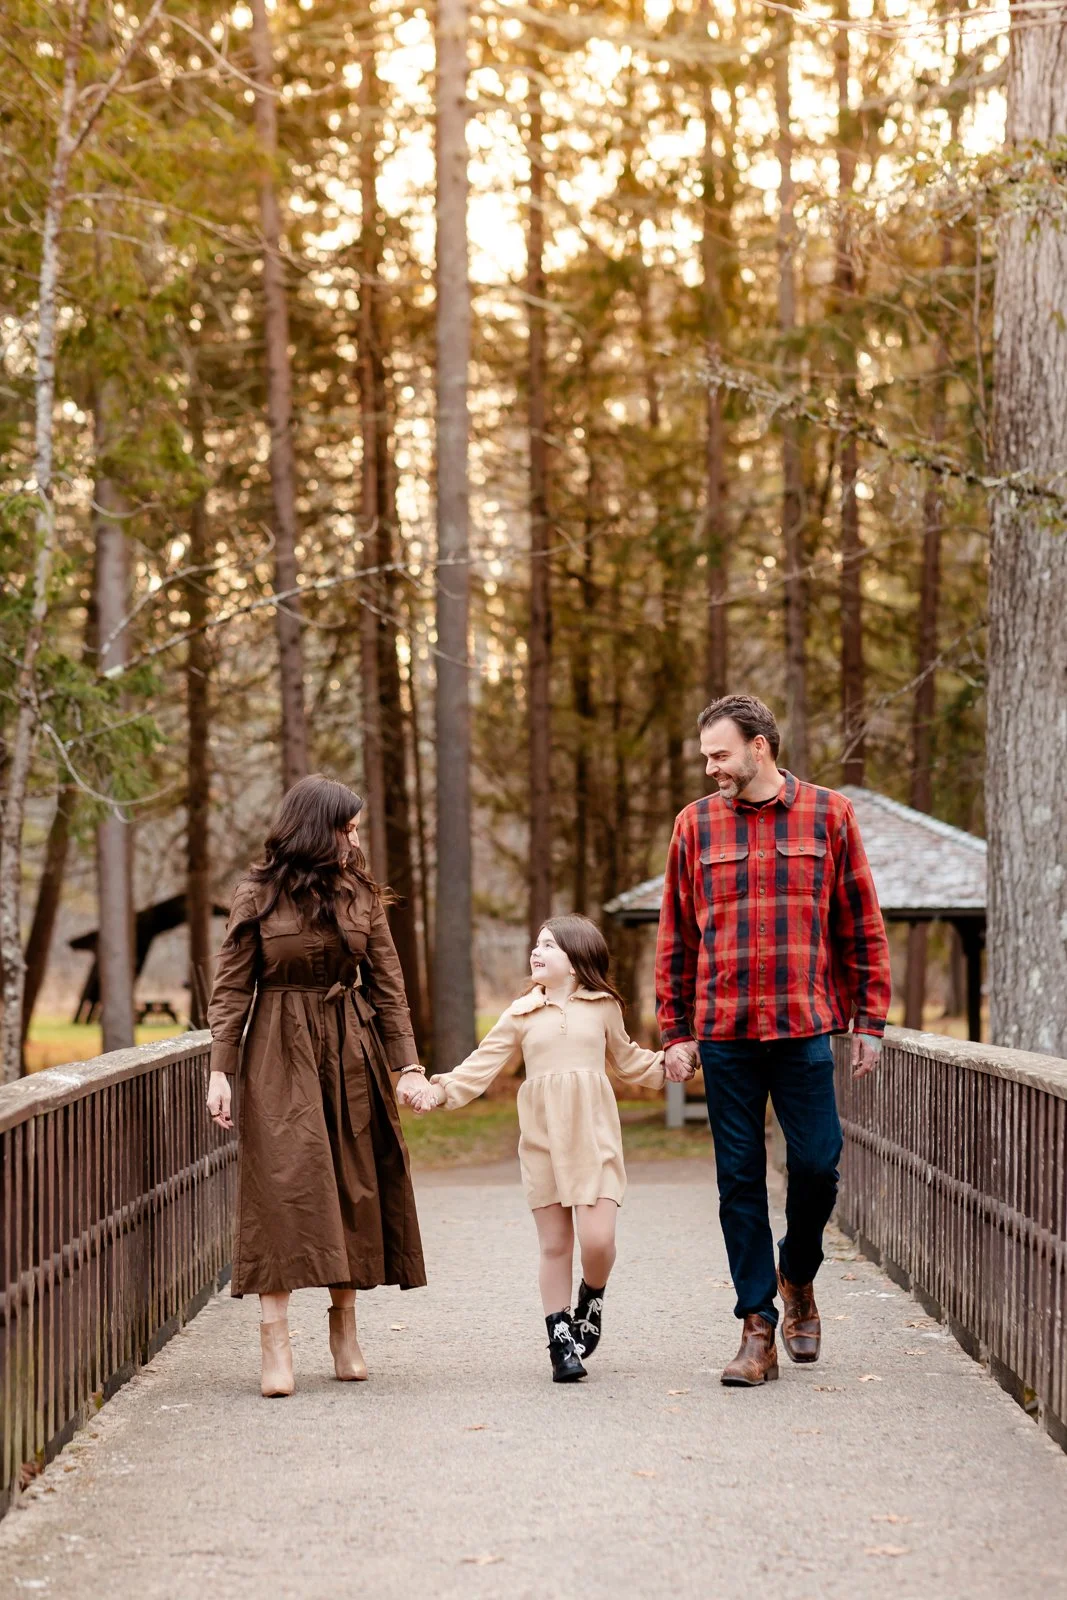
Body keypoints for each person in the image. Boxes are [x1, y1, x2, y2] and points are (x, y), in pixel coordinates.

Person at [655, 694, 892, 1387]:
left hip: (802, 1027)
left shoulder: (829, 814)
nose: (710, 768)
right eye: (705, 756)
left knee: (817, 1166)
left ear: (759, 746)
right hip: (724, 1031)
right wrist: (675, 1030)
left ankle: (798, 1273)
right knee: (738, 1181)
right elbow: (677, 937)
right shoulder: (693, 826)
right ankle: (755, 1326)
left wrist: (867, 1022)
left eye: (719, 754)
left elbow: (860, 927)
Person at [204, 775, 430, 1398]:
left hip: (350, 1049)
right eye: (348, 828)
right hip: (278, 1051)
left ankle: (345, 1331)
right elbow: (231, 989)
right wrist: (220, 1070)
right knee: (283, 1185)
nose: (356, 840)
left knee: (352, 1181)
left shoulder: (361, 893)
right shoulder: (255, 894)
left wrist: (405, 1064)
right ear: (316, 827)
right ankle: (274, 1342)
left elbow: (388, 984)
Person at [409, 915, 664, 1383]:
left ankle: (593, 1292)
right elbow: (481, 1065)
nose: (537, 951)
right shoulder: (521, 1012)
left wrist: (673, 1063)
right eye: (537, 943)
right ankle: (561, 1342)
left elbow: (629, 1060)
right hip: (543, 1141)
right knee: (554, 1244)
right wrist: (439, 1091)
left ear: (576, 959)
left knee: (598, 1239)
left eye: (550, 945)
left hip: (594, 1137)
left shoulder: (603, 1006)